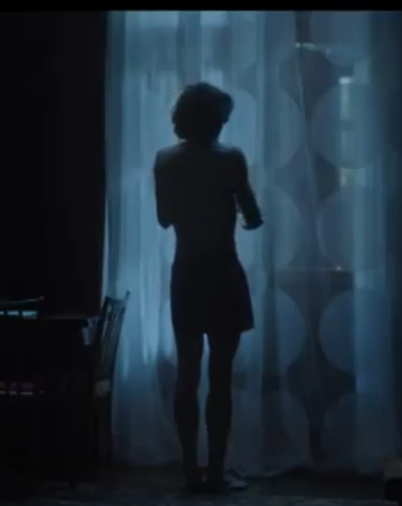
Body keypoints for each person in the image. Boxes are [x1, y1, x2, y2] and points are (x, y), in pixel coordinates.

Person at [153, 82, 263, 494]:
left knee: (188, 371)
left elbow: (164, 217)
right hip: (222, 272)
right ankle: (216, 470)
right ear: (216, 120)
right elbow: (252, 216)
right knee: (220, 376)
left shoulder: (165, 160)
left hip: (186, 273)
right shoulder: (230, 158)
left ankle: (189, 469)